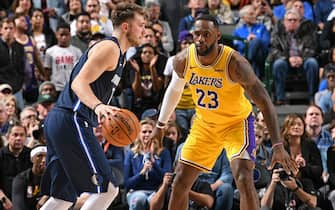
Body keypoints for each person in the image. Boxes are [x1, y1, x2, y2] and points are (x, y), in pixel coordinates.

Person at [150, 14, 297, 210]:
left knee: (244, 178)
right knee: (179, 182)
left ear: (218, 36)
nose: (200, 39)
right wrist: (160, 124)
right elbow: (174, 91)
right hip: (205, 125)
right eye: (197, 34)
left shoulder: (235, 63)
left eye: (206, 34)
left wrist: (278, 144)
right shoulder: (183, 60)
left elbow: (265, 102)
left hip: (236, 124)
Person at [39, 3, 146, 210]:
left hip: (64, 120)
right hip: (72, 119)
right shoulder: (110, 48)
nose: (144, 30)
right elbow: (78, 83)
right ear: (125, 27)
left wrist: (97, 112)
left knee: (63, 197)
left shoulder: (119, 55)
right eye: (140, 24)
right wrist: (97, 106)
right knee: (108, 189)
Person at [12, 144, 47, 210]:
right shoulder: (21, 179)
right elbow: (18, 206)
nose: (44, 160)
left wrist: (47, 197)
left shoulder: (54, 178)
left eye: (47, 156)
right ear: (32, 159)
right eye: (39, 156)